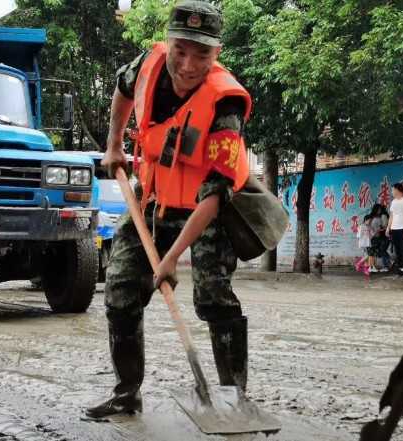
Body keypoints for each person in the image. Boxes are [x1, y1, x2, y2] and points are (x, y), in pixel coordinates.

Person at [86, 1, 252, 418]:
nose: (188, 63)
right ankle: (127, 394)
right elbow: (123, 92)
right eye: (181, 49)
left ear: (216, 53)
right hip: (154, 199)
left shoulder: (225, 103)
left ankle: (234, 400)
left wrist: (173, 258)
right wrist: (114, 145)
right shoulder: (147, 66)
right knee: (122, 289)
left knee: (214, 299)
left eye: (202, 54)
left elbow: (216, 194)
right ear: (169, 42)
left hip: (207, 208)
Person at [386, 183, 403, 277]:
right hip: (394, 228)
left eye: (393, 190)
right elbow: (391, 216)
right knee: (397, 250)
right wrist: (388, 228)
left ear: (398, 190)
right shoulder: (393, 202)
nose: (392, 192)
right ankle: (400, 269)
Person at [370, 204, 390, 271]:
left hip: (383, 236)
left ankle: (387, 264)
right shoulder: (374, 217)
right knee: (379, 251)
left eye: (380, 209)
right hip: (378, 236)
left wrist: (380, 229)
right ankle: (387, 264)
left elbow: (385, 226)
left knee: (381, 250)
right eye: (378, 209)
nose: (379, 211)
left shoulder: (383, 216)